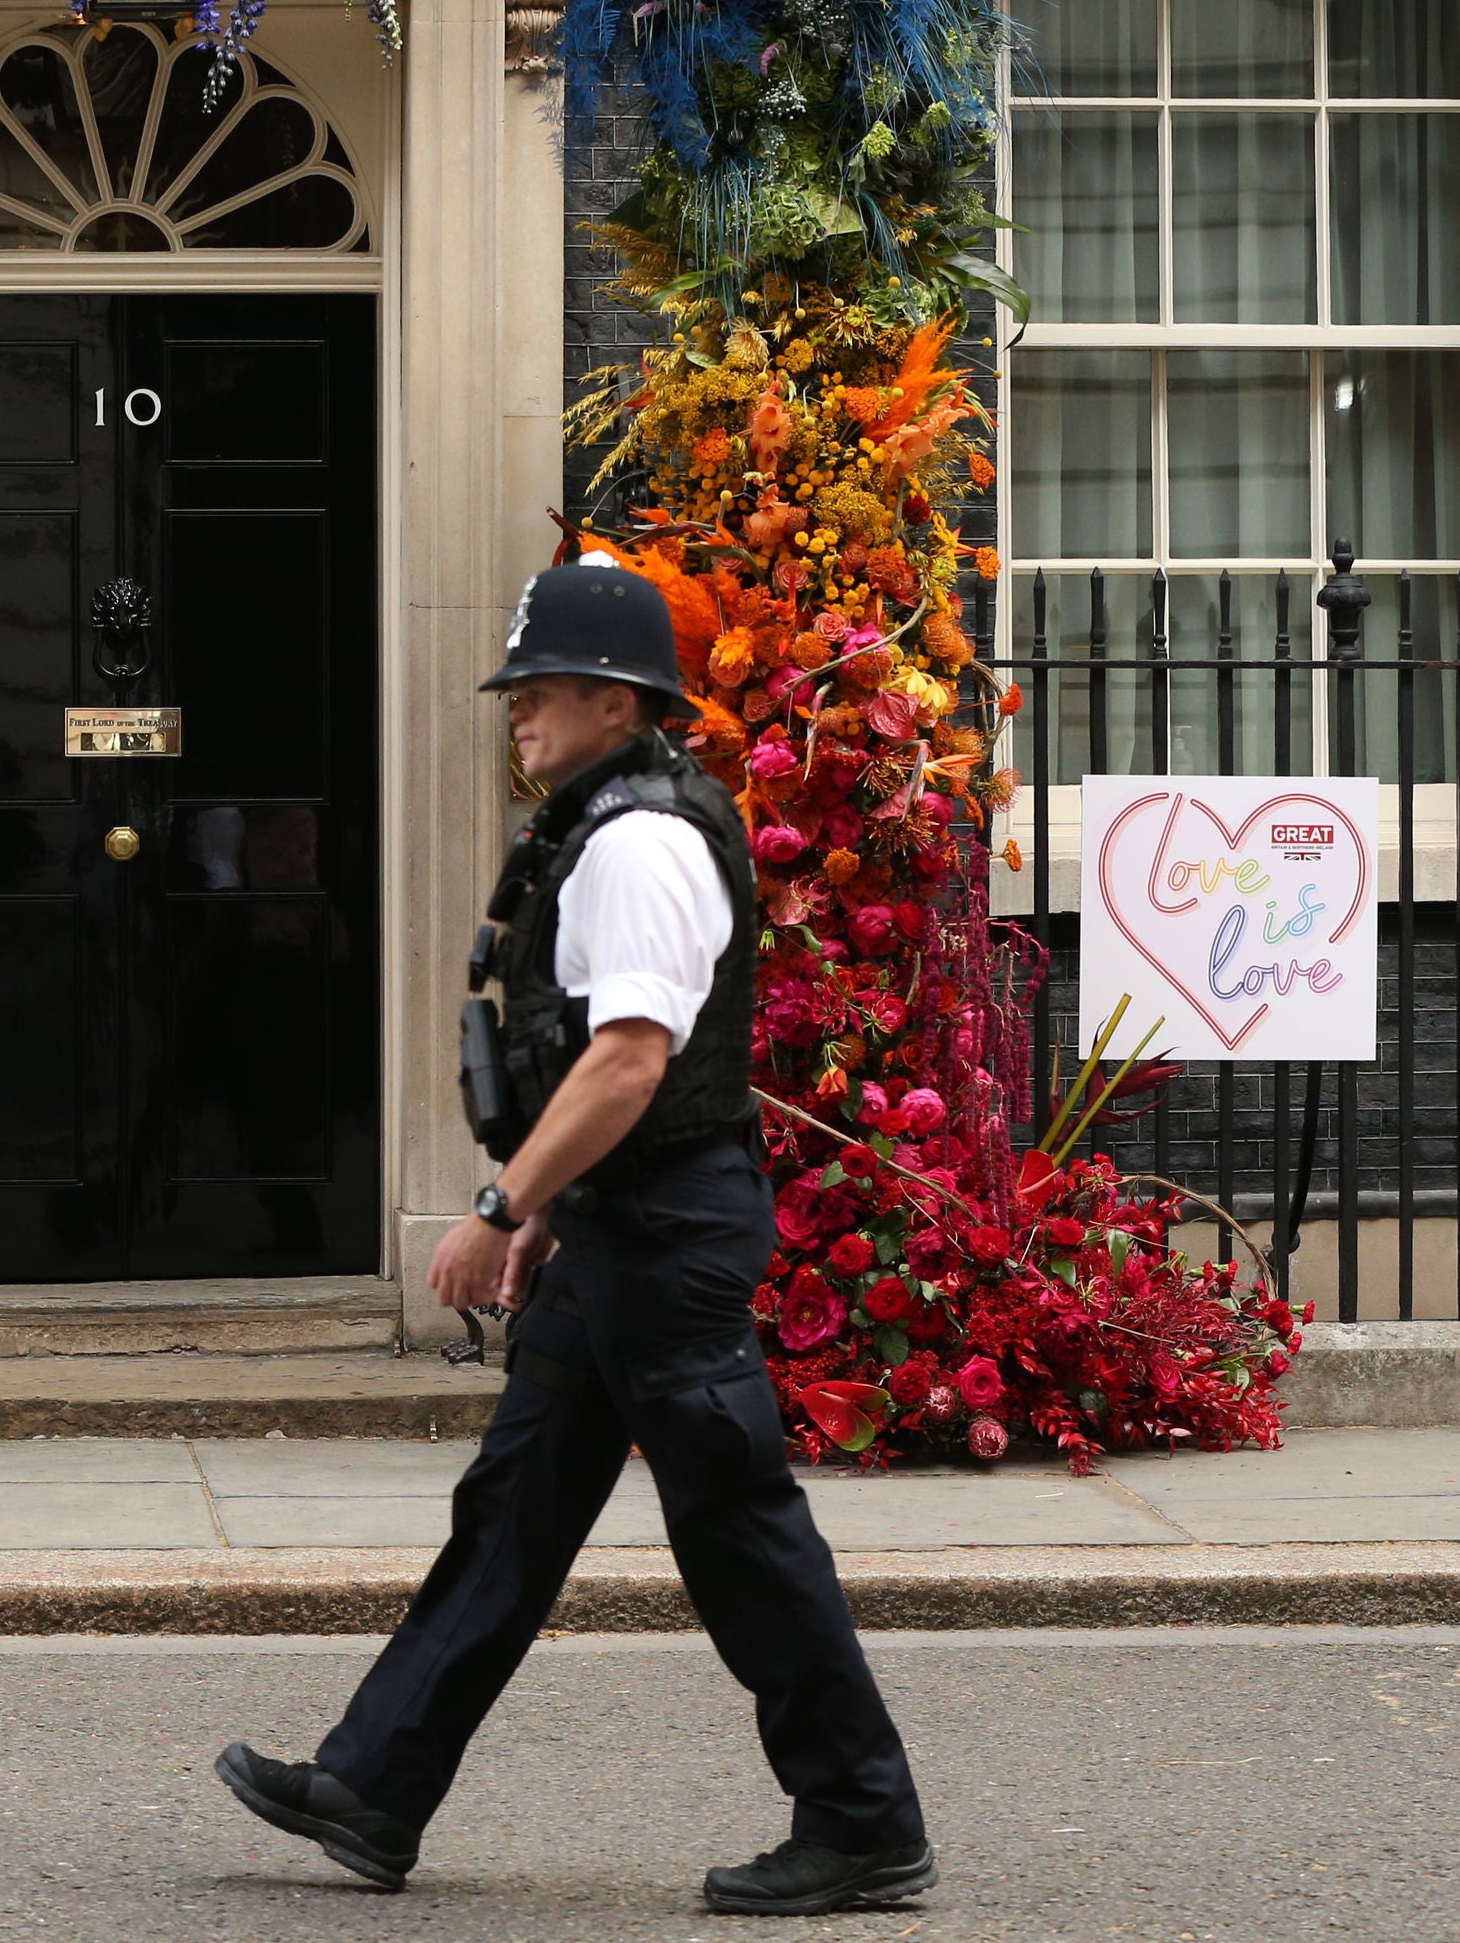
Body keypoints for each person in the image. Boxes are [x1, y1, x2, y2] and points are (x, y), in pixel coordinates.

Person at [214, 557, 933, 1917]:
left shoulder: (640, 842)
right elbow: (598, 1080)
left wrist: (498, 1208)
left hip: (668, 1230)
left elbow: (627, 1063)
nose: (518, 714)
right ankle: (377, 1783)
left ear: (615, 699)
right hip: (620, 1221)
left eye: (537, 691)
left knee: (735, 1524)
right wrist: (550, 1211)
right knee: (514, 1510)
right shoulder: (603, 820)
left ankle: (861, 1813)